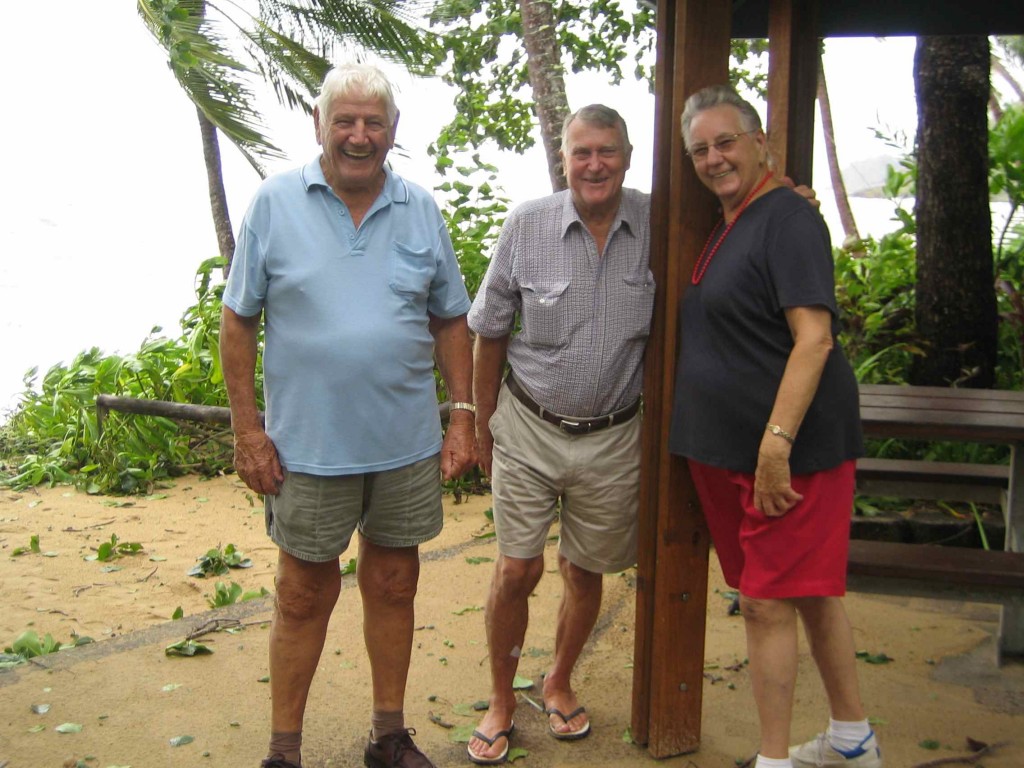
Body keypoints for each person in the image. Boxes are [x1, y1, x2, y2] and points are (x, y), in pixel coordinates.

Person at [221, 62, 476, 768]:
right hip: (307, 448)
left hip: (403, 444)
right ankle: (283, 752)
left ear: (393, 132)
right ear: (319, 126)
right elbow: (237, 323)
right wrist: (248, 431)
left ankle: (389, 736)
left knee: (395, 585)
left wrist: (462, 416)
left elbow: (452, 319)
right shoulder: (274, 203)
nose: (359, 136)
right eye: (346, 121)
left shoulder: (420, 207)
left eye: (373, 122)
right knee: (302, 596)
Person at [668, 85, 880, 768]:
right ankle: (852, 741)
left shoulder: (787, 218)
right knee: (806, 594)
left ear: (762, 144)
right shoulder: (736, 220)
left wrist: (776, 443)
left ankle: (773, 761)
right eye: (699, 149)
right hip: (730, 451)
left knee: (765, 605)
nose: (713, 158)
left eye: (726, 141)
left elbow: (813, 339)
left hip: (789, 455)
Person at [465, 104, 653, 765]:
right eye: (582, 153)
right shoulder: (528, 225)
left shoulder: (662, 224)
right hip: (528, 422)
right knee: (517, 569)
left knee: (585, 567)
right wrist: (483, 423)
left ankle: (560, 678)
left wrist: (789, 192)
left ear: (627, 157)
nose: (594, 164)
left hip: (616, 433)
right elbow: (488, 329)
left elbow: (743, 225)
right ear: (564, 161)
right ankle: (500, 698)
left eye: (606, 152)